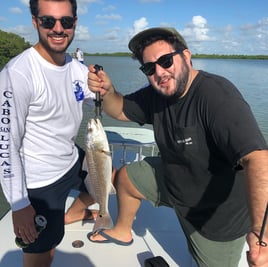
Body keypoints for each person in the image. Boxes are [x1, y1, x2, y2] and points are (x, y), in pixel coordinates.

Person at [87, 27, 268, 266]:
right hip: (175, 183)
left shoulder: (217, 96)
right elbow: (119, 109)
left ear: (186, 55)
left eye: (165, 61)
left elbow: (257, 158)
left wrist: (261, 233)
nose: (160, 72)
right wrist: (108, 91)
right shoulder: (157, 94)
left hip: (214, 217)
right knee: (127, 177)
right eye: (149, 68)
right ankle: (122, 230)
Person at [0, 0, 98, 266]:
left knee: (110, 181)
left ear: (74, 23)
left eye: (66, 21)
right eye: (48, 21)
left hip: (70, 158)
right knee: (44, 252)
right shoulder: (18, 74)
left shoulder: (77, 68)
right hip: (40, 181)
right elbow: (6, 144)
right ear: (35, 22)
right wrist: (19, 206)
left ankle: (73, 213)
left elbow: (101, 99)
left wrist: (107, 88)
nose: (58, 28)